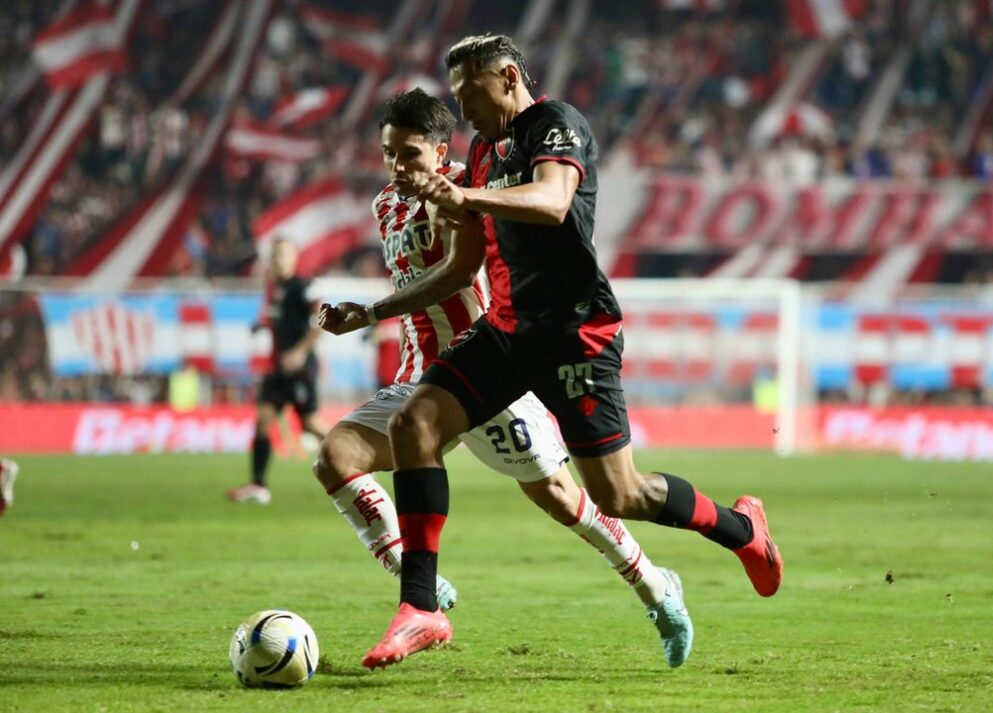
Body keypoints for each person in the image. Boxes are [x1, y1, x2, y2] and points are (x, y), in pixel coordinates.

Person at [344, 35, 783, 669]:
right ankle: (420, 608)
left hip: (577, 334)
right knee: (417, 421)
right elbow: (461, 266)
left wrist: (462, 196)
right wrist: (376, 312)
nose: (463, 110)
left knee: (619, 495)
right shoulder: (482, 149)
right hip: (506, 332)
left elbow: (552, 203)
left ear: (508, 77)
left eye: (469, 93)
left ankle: (743, 530)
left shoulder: (554, 125)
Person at [316, 88, 692, 668]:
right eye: (389, 153)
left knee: (567, 501)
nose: (397, 166)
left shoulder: (479, 187)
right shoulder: (386, 206)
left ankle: (658, 589)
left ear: (443, 154)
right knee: (334, 458)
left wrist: (375, 309)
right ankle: (421, 588)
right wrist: (367, 314)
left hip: (487, 372)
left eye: (410, 154)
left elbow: (463, 271)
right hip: (420, 380)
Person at [227, 238, 329, 504]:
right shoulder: (274, 289)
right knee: (262, 420)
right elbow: (276, 320)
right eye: (274, 256)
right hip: (277, 369)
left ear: (294, 258)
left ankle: (359, 460)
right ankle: (258, 486)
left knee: (310, 424)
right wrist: (261, 326)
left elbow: (323, 319)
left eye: (283, 255)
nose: (278, 261)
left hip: (300, 369)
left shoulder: (304, 286)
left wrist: (300, 351)